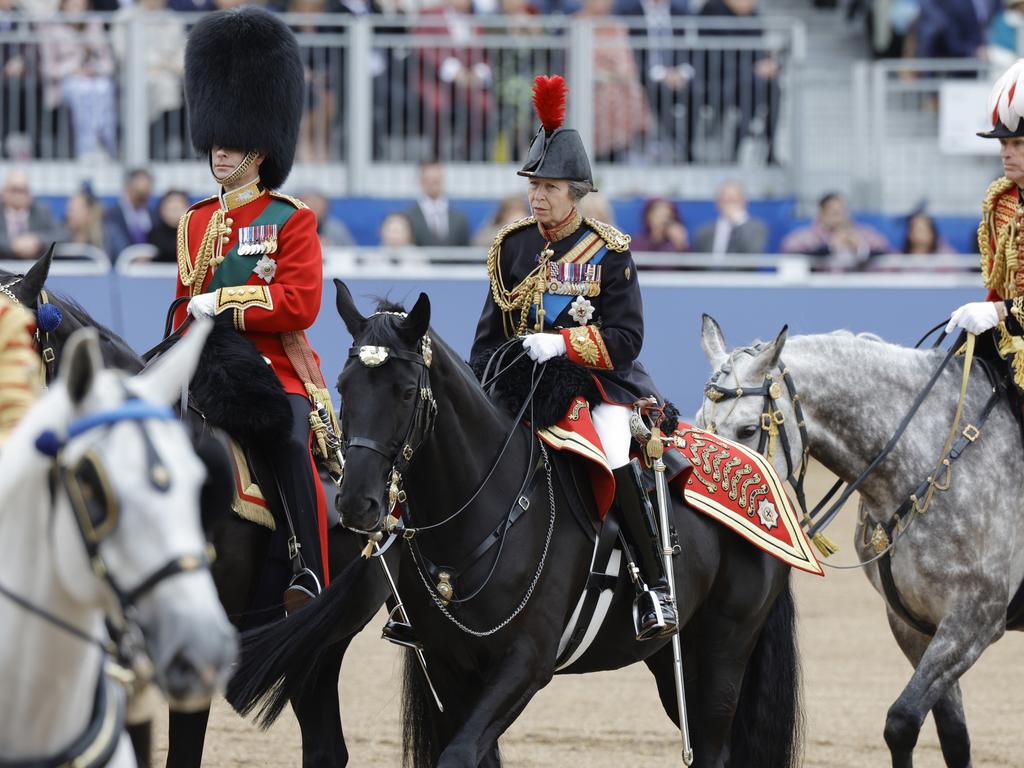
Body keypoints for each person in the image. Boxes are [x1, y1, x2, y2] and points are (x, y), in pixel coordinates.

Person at [471, 75, 676, 641]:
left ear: (576, 191)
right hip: (517, 384)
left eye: (551, 187)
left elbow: (627, 339)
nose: (538, 196)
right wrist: (490, 374)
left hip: (592, 383)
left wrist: (562, 344)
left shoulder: (609, 253)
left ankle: (653, 586)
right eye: (533, 185)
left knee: (613, 447)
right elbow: (487, 336)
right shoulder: (509, 246)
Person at [172, 7, 340, 612]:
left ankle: (309, 571)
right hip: (202, 359)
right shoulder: (194, 221)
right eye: (215, 140)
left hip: (272, 363)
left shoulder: (289, 218)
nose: (219, 151)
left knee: (290, 441)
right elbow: (180, 302)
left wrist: (226, 303)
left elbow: (299, 304)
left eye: (233, 142)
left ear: (261, 150)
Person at [947, 59, 1024, 392]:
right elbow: (999, 285)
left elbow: (1001, 303)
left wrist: (1000, 311)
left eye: (1018, 144)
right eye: (1003, 144)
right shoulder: (1001, 201)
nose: (1006, 153)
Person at [39, 0, 116, 159]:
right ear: (63, 6)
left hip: (93, 78)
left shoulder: (94, 24)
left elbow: (108, 64)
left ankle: (105, 144)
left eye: (81, 6)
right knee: (81, 91)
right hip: (64, 83)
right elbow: (47, 68)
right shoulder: (51, 27)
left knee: (104, 87)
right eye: (73, 5)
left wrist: (94, 68)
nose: (77, 10)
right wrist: (73, 69)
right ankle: (87, 149)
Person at [780, 192, 892, 271]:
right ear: (821, 213)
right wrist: (830, 248)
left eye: (842, 211)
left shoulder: (866, 234)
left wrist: (861, 248)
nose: (839, 217)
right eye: (833, 212)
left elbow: (888, 255)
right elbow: (790, 258)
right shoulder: (803, 237)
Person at [404, 161, 471, 246]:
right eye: (428, 180)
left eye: (436, 181)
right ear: (421, 182)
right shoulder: (408, 217)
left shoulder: (460, 219)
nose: (433, 185)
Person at [0, 171, 63, 260]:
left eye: (23, 190)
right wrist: (12, 244)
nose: (18, 195)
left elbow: (61, 234)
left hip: (34, 267)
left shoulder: (42, 211)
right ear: (4, 192)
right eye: (14, 190)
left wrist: (37, 241)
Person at [694, 180, 768, 254]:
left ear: (744, 202)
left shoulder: (757, 228)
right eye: (725, 200)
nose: (729, 206)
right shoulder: (705, 230)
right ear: (717, 203)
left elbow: (753, 253)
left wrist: (737, 221)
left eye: (733, 200)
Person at [103, 168, 154, 260]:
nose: (143, 197)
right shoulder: (111, 215)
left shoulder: (153, 214)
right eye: (139, 193)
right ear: (128, 188)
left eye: (146, 192)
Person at [147, 189, 189, 263]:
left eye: (179, 206)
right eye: (171, 208)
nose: (175, 210)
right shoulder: (155, 232)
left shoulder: (193, 232)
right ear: (162, 209)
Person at [61, 187, 105, 254]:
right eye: (68, 210)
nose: (68, 215)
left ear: (87, 211)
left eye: (72, 210)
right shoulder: (62, 236)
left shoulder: (104, 238)